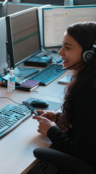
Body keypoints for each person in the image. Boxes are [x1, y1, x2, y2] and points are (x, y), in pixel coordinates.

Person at [29, 22, 96, 174]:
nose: (60, 52)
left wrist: (51, 130)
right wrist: (60, 118)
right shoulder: (89, 80)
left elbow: (83, 155)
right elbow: (89, 125)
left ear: (89, 54)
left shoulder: (88, 91)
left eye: (68, 47)